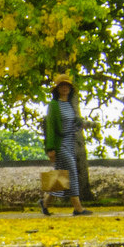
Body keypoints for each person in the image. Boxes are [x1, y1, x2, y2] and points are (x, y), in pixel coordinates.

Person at [41, 75, 90, 216]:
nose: (64, 88)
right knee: (72, 172)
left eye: (67, 86)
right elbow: (50, 127)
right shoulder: (53, 105)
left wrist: (81, 123)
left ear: (70, 89)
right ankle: (78, 208)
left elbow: (73, 124)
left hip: (70, 142)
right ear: (57, 89)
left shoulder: (70, 104)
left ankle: (44, 203)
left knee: (60, 176)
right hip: (59, 144)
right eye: (61, 86)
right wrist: (50, 149)